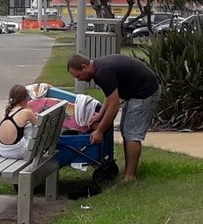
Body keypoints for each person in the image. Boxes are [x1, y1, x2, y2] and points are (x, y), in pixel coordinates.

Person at [68, 53, 160, 183]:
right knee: (126, 130)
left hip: (144, 92)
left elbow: (114, 106)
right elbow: (111, 96)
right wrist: (100, 115)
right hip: (135, 92)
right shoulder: (99, 69)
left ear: (84, 67)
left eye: (78, 76)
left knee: (132, 134)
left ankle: (129, 177)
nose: (79, 80)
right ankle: (128, 172)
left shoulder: (103, 72)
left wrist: (99, 131)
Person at [0, 84, 37, 159]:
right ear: (26, 98)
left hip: (2, 150)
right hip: (18, 152)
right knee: (31, 128)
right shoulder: (27, 112)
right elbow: (37, 126)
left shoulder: (6, 112)